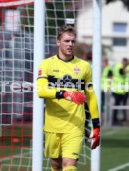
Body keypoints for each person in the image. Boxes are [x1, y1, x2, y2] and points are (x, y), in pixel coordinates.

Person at [36, 25, 100, 171]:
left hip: (75, 124)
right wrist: (65, 93)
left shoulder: (84, 66)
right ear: (58, 42)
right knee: (56, 165)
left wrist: (96, 126)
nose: (70, 44)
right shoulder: (46, 64)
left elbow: (90, 96)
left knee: (69, 166)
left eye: (72, 41)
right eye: (66, 41)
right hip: (53, 125)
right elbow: (41, 91)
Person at [111, 58, 129, 125]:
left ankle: (120, 120)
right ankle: (114, 121)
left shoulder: (121, 66)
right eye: (126, 63)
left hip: (121, 90)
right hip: (117, 90)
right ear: (124, 62)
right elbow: (124, 72)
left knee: (121, 106)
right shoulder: (119, 67)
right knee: (116, 107)